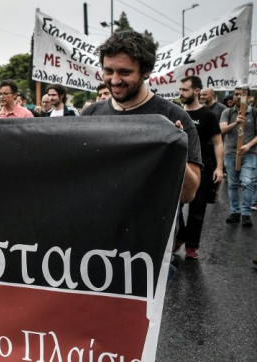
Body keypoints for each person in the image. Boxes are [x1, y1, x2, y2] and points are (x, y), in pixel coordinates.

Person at [81, 31, 202, 206]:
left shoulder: (174, 117)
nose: (114, 80)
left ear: (146, 72)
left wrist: (175, 151)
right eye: (108, 71)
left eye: (124, 72)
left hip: (150, 228)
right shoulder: (90, 115)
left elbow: (188, 195)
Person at [175, 76, 224, 259]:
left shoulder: (208, 116)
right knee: (175, 207)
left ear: (196, 91)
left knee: (197, 210)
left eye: (185, 90)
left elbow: (218, 142)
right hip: (179, 168)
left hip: (203, 168)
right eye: (180, 89)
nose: (181, 93)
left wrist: (219, 168)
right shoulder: (177, 113)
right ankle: (179, 235)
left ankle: (191, 246)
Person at [219, 86, 257, 227]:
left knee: (247, 182)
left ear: (248, 97)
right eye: (235, 94)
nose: (237, 97)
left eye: (241, 94)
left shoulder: (254, 113)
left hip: (249, 153)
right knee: (232, 184)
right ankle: (235, 212)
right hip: (230, 153)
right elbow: (222, 129)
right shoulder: (227, 112)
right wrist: (236, 123)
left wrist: (248, 146)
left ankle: (246, 214)